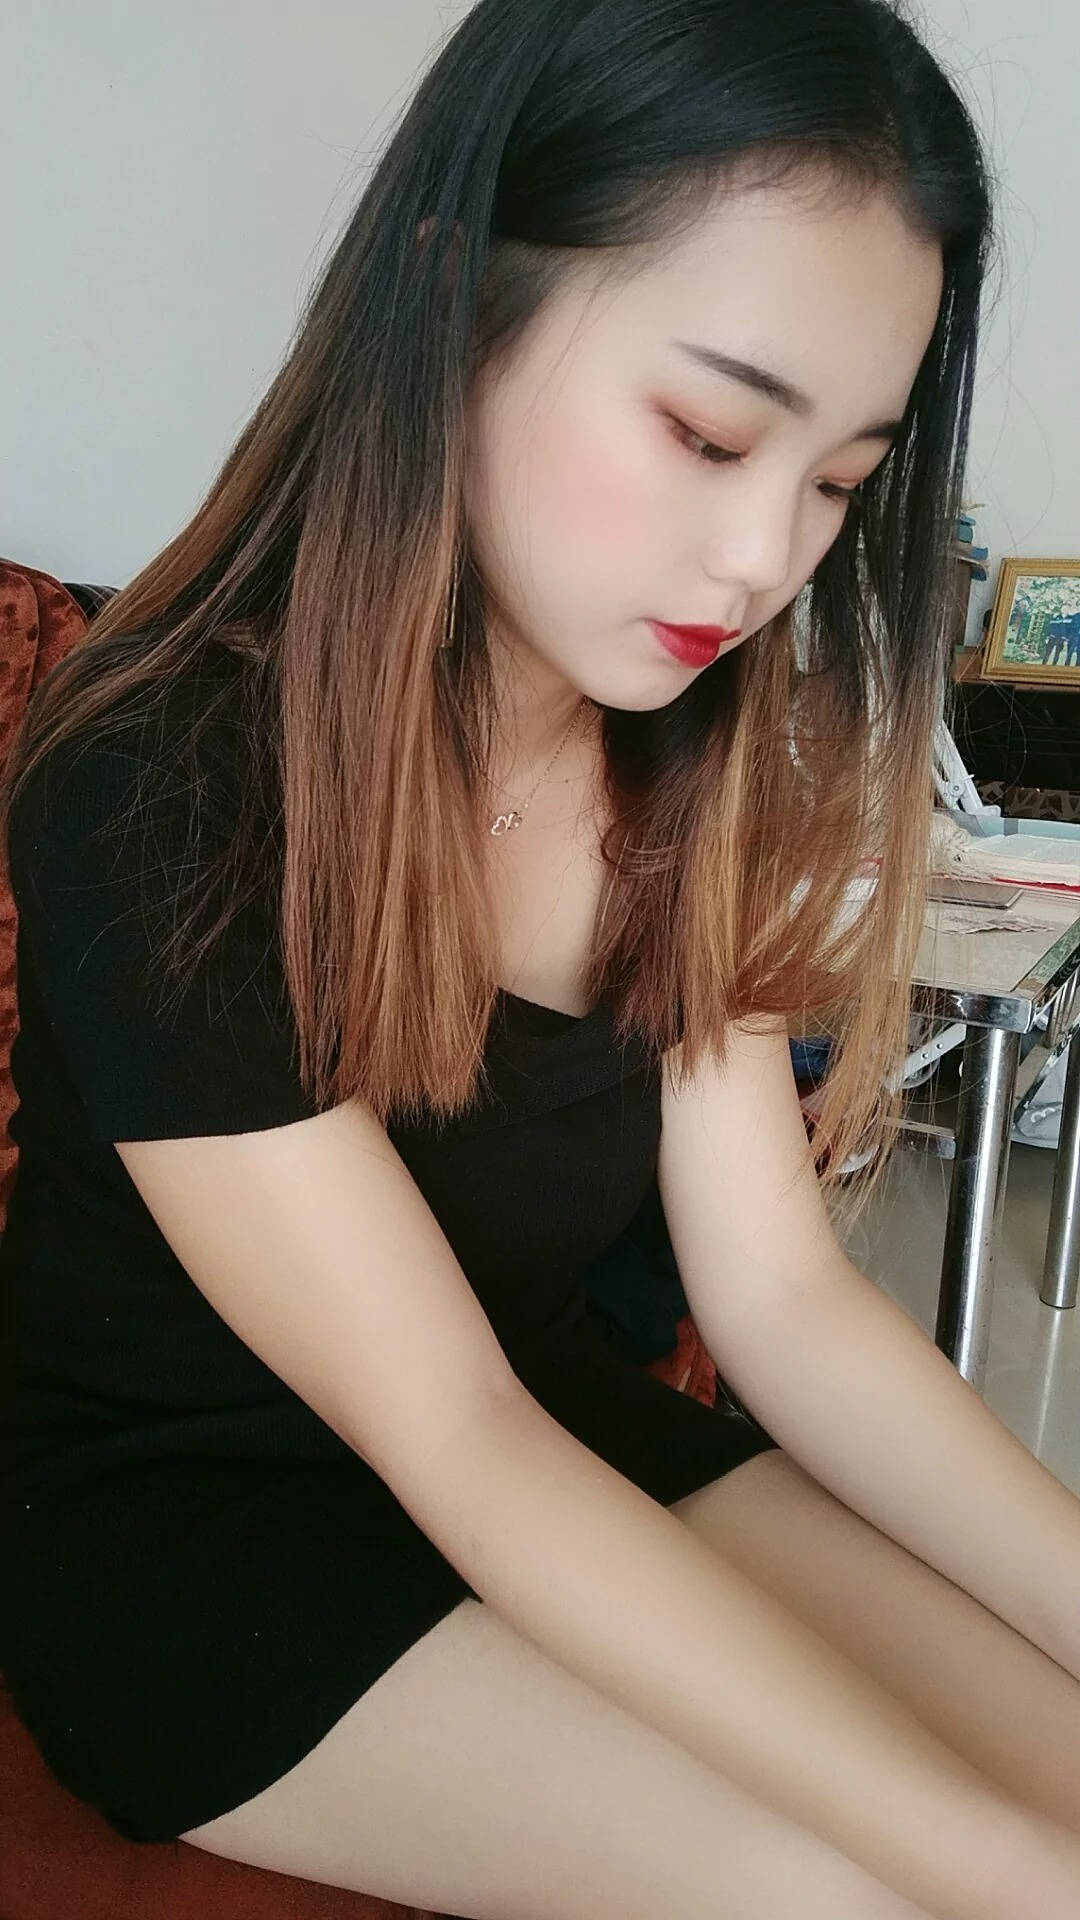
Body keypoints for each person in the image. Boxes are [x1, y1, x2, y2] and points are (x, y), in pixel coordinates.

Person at [5, 1, 1080, 1914]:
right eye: (707, 433)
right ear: (457, 304)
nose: (762, 561)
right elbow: (447, 1428)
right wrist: (1000, 1867)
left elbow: (784, 1302)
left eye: (839, 481)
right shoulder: (160, 778)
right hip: (204, 1529)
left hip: (550, 1425)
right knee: (884, 1892)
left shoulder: (692, 752)